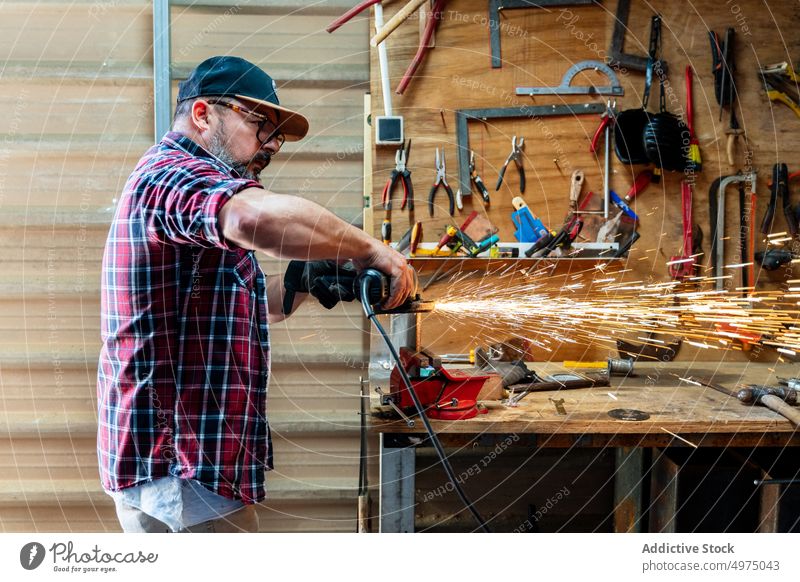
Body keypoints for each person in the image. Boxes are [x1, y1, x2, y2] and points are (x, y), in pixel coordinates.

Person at [96, 56, 414, 533]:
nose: (270, 145)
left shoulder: (196, 192)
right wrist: (371, 249)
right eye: (259, 123)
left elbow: (244, 303)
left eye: (276, 135)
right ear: (203, 114)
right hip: (176, 466)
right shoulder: (171, 174)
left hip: (192, 465)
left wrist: (302, 280)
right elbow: (250, 218)